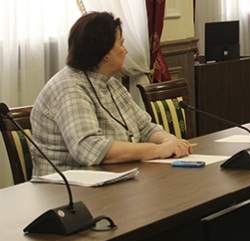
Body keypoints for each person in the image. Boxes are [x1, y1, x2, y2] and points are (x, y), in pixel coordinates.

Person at [30, 12, 192, 176]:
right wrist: (158, 150)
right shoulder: (69, 88)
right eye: (121, 44)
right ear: (105, 53)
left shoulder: (112, 85)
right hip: (68, 187)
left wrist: (168, 140)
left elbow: (145, 128)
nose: (126, 51)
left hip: (112, 179)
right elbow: (91, 149)